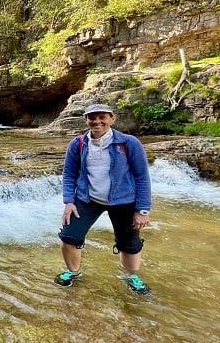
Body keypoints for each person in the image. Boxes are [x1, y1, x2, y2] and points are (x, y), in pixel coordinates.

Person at [55, 103, 153, 295]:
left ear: (112, 119)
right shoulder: (78, 144)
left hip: (124, 201)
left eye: (102, 117)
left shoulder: (129, 143)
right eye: (92, 118)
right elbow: (69, 174)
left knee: (129, 244)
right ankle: (73, 272)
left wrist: (142, 210)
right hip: (87, 199)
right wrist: (69, 201)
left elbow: (142, 176)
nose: (97, 121)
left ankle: (131, 276)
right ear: (86, 120)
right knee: (69, 237)